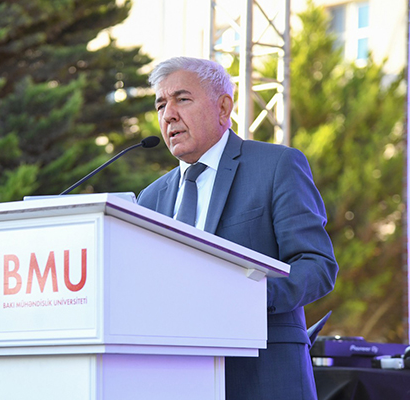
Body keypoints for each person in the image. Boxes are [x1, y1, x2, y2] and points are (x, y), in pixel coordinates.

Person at [138, 56, 338, 400]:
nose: (168, 114)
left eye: (182, 99)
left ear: (223, 107)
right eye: (160, 105)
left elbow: (316, 265)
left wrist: (243, 298)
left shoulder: (275, 166)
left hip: (263, 376)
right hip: (176, 376)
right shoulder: (151, 197)